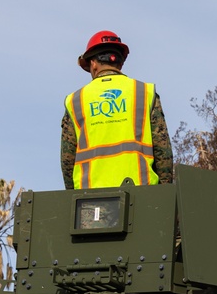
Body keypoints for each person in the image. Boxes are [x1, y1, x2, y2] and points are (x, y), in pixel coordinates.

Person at [61, 30, 174, 189]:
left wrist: (73, 198)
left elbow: (67, 159)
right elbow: (163, 152)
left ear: (93, 64)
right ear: (120, 63)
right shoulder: (144, 92)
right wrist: (163, 195)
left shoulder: (75, 100)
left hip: (89, 201)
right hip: (141, 196)